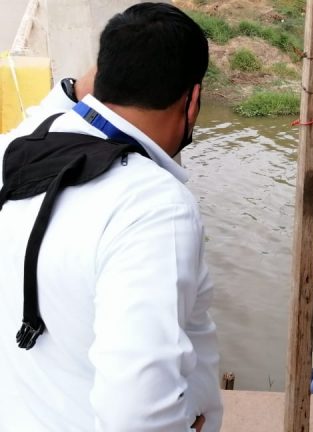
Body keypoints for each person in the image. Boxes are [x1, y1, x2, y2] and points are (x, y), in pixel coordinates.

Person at [0, 3, 221, 431]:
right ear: (193, 100)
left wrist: (76, 91)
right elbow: (137, 417)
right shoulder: (154, 208)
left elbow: (29, 127)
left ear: (97, 80)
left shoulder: (19, 157)